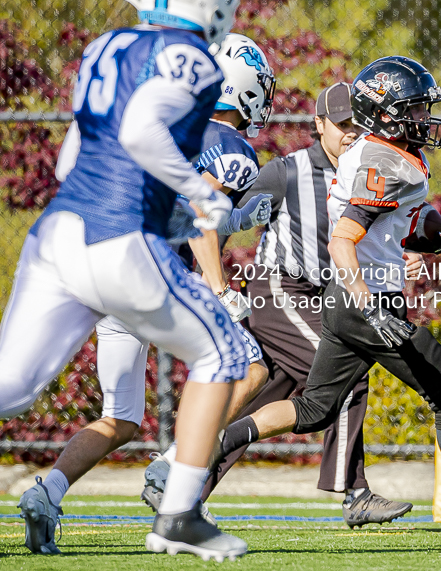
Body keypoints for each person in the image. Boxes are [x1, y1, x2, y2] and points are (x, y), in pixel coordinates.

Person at [212, 55, 441, 538]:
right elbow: (342, 239)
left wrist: (415, 229)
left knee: (314, 410)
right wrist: (370, 303)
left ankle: (217, 441)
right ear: (384, 113)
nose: (425, 119)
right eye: (414, 109)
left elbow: (380, 221)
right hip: (366, 305)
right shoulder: (383, 162)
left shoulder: (377, 149)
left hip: (347, 304)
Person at [2, 0, 254, 561]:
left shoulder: (105, 47)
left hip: (57, 230)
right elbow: (141, 130)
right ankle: (181, 514)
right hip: (116, 239)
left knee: (12, 389)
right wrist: (197, 190)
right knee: (226, 352)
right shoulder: (195, 58)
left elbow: (75, 158)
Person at [142, 82, 416, 528]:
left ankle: (182, 493)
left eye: (358, 125)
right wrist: (209, 281)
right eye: (342, 124)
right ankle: (356, 494)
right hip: (280, 292)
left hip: (322, 299)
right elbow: (217, 219)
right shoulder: (284, 172)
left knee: (256, 401)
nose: (351, 133)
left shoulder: (366, 171)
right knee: (346, 376)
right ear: (319, 124)